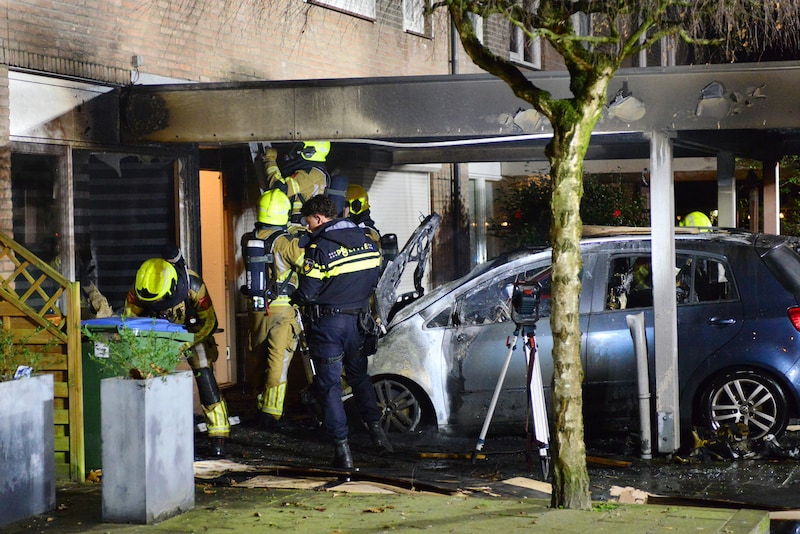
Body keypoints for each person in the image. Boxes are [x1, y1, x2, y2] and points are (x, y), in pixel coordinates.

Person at [290, 195, 393, 469]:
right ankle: (378, 436)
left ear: (319, 218)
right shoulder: (366, 241)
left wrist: (293, 295)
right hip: (359, 322)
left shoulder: (320, 248)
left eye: (309, 221)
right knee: (360, 378)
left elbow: (308, 292)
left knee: (330, 386)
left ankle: (343, 451)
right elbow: (375, 279)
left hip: (330, 325)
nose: (308, 227)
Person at [123, 253, 231, 457]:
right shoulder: (141, 288)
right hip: (158, 335)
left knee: (204, 374)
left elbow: (209, 322)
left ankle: (219, 433)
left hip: (194, 333)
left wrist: (187, 342)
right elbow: (130, 322)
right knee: (149, 378)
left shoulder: (193, 285)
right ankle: (153, 431)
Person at [240, 189, 305, 428]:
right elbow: (306, 264)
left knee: (258, 356)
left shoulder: (249, 239)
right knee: (279, 359)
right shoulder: (286, 242)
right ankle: (272, 413)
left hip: (256, 307)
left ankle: (259, 405)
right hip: (282, 309)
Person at [264, 141, 331, 225]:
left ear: (309, 153)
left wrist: (270, 160)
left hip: (296, 226)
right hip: (304, 225)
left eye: (298, 149)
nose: (294, 153)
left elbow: (278, 190)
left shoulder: (306, 175)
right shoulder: (318, 173)